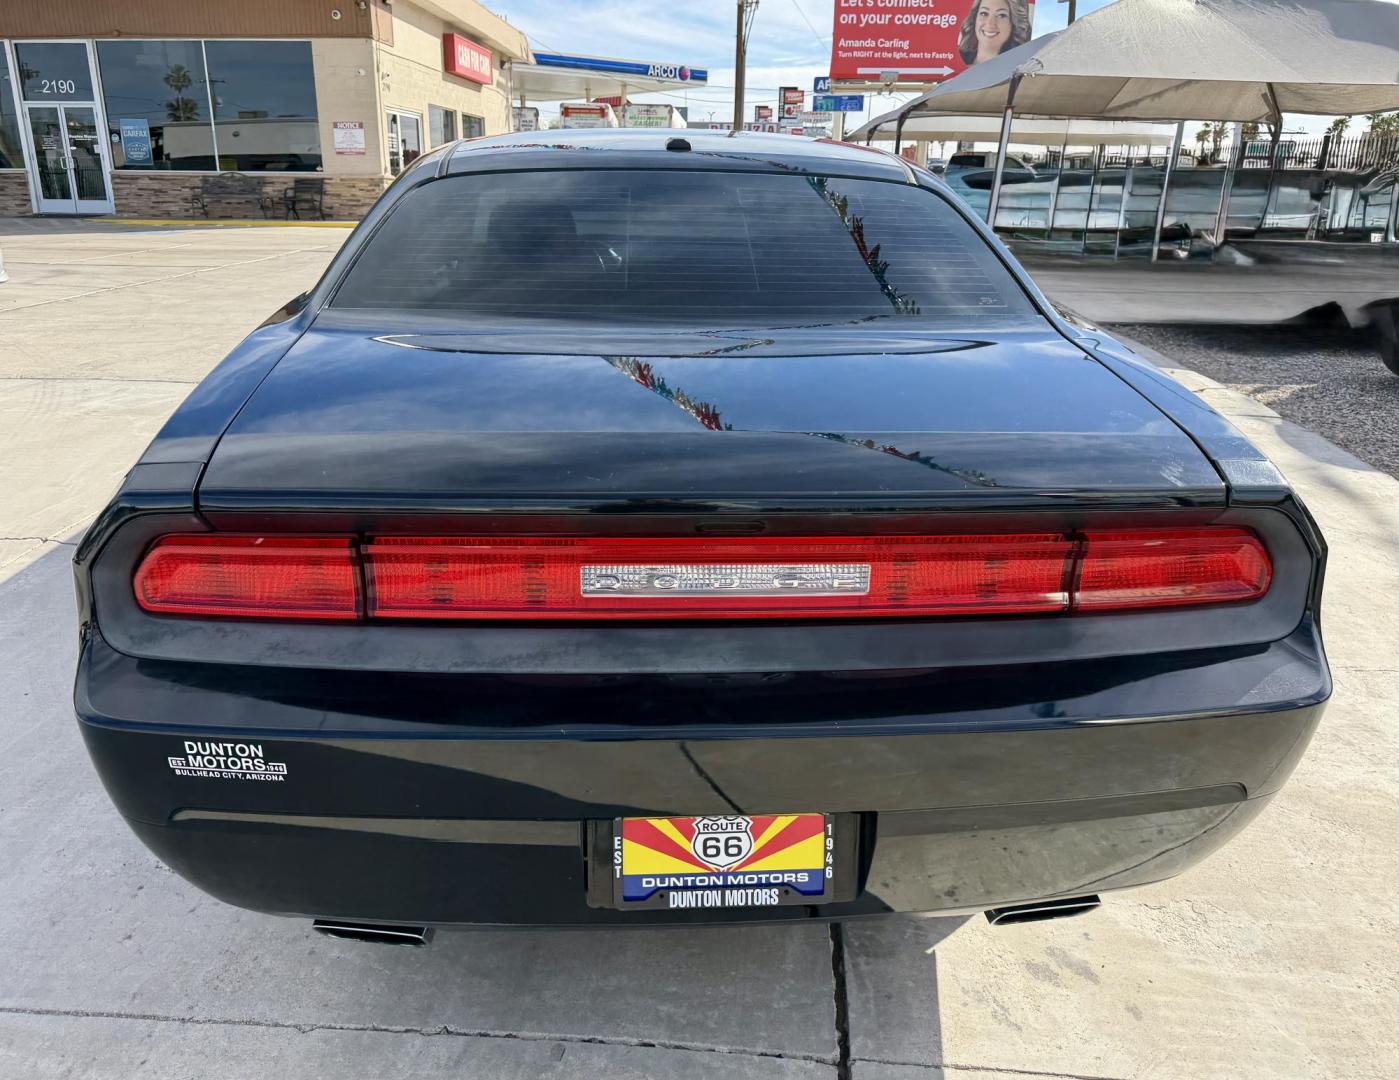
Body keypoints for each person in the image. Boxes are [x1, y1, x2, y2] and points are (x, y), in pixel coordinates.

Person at [958, 0, 1032, 66]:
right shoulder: (956, 58)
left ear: (1014, 23)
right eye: (984, 13)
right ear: (975, 18)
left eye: (1001, 15)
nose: (990, 24)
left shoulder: (1019, 68)